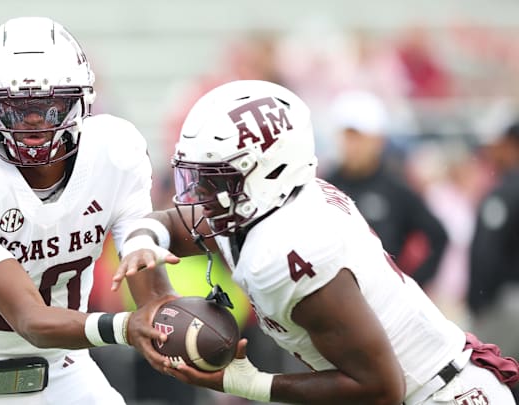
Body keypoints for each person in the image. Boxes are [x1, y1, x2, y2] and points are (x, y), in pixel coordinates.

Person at [112, 80, 519, 404]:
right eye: (195, 176)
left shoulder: (286, 248)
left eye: (213, 179)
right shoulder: (264, 207)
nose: (198, 193)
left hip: (438, 395)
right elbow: (168, 223)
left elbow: (379, 390)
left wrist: (250, 384)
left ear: (265, 172)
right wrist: (143, 245)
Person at [0, 16, 176, 404]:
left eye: (50, 106)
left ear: (80, 100)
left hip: (68, 368)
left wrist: (180, 324)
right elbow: (30, 319)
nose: (32, 123)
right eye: (14, 108)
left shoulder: (116, 152)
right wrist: (126, 326)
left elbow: (149, 288)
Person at [324, 89, 448, 287]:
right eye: (348, 137)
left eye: (359, 137)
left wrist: (410, 285)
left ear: (378, 140)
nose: (352, 146)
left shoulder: (396, 189)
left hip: (383, 307)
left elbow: (438, 235)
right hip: (333, 303)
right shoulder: (324, 186)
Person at [469, 119, 519, 401]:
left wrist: (479, 300)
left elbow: (486, 253)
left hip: (508, 303)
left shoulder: (506, 191)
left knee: (485, 378)